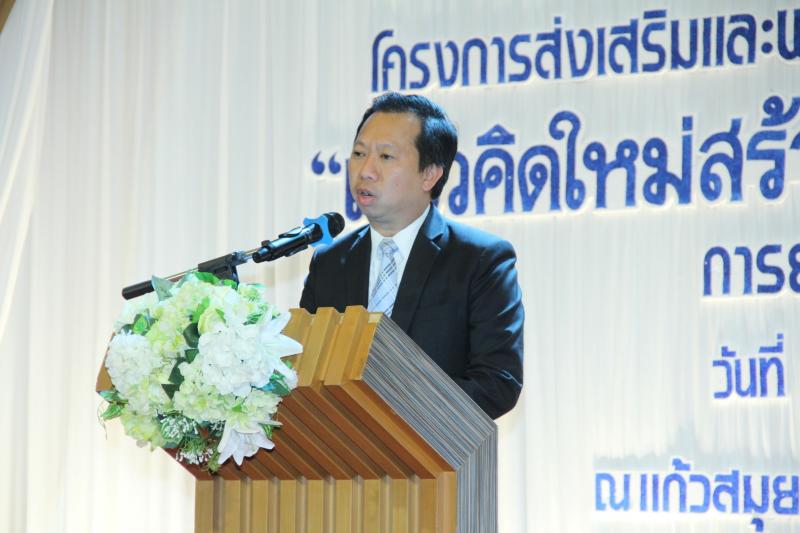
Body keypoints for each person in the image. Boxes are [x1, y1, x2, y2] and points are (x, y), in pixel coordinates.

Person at [300, 92, 523, 419]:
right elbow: (305, 370)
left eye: (386, 156)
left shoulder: (479, 260)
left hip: (436, 447)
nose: (366, 170)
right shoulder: (330, 263)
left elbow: (498, 383)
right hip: (339, 447)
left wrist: (395, 411)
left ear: (430, 174)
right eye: (359, 153)